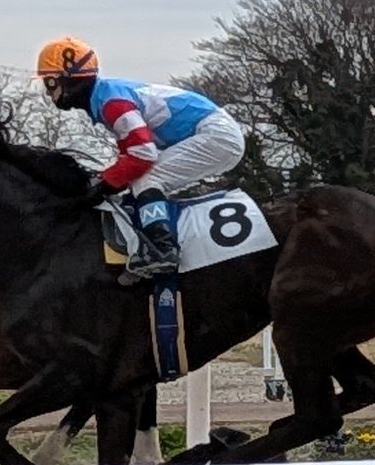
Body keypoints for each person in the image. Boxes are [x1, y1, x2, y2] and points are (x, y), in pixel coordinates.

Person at [36, 36, 251, 286]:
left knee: (148, 178)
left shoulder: (112, 103)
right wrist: (107, 179)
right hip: (213, 132)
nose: (49, 91)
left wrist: (104, 184)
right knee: (140, 180)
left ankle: (162, 249)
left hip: (216, 135)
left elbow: (143, 154)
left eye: (49, 82)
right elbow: (133, 154)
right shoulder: (105, 97)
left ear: (68, 79)